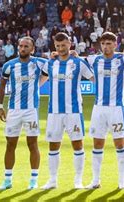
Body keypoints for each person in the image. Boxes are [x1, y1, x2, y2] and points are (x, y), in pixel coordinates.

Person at [41, 32, 95, 189]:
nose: (60, 48)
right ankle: (52, 180)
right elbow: (40, 81)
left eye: (63, 45)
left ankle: (78, 180)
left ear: (69, 44)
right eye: (57, 46)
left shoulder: (79, 63)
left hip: (74, 111)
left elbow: (94, 79)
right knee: (53, 146)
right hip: (54, 111)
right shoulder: (50, 63)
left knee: (77, 145)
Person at [84, 32, 124, 189]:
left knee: (120, 143)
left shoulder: (122, 59)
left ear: (115, 45)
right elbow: (77, 60)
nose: (106, 46)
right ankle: (95, 180)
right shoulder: (95, 59)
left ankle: (121, 182)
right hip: (98, 108)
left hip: (117, 108)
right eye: (103, 43)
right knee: (97, 143)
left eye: (109, 43)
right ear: (100, 45)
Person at [0, 37, 48, 190]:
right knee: (10, 145)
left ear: (32, 49)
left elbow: (52, 67)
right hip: (14, 110)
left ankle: (33, 180)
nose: (22, 48)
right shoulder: (9, 65)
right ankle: (7, 180)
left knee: (32, 144)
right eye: (21, 46)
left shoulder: (39, 63)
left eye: (26, 46)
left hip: (31, 110)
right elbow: (1, 86)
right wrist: (0, 106)